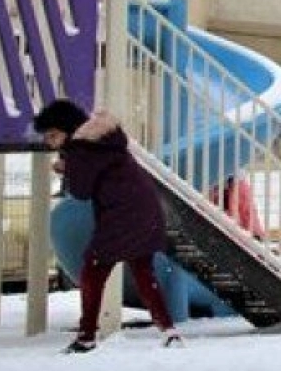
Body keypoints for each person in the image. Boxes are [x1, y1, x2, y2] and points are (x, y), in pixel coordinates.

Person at [33, 99, 182, 353]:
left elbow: (80, 192)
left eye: (53, 135)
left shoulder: (82, 149)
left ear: (67, 130)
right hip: (146, 209)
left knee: (93, 270)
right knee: (143, 272)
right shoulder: (104, 140)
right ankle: (169, 331)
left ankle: (87, 336)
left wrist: (66, 169)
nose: (49, 142)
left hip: (122, 214)